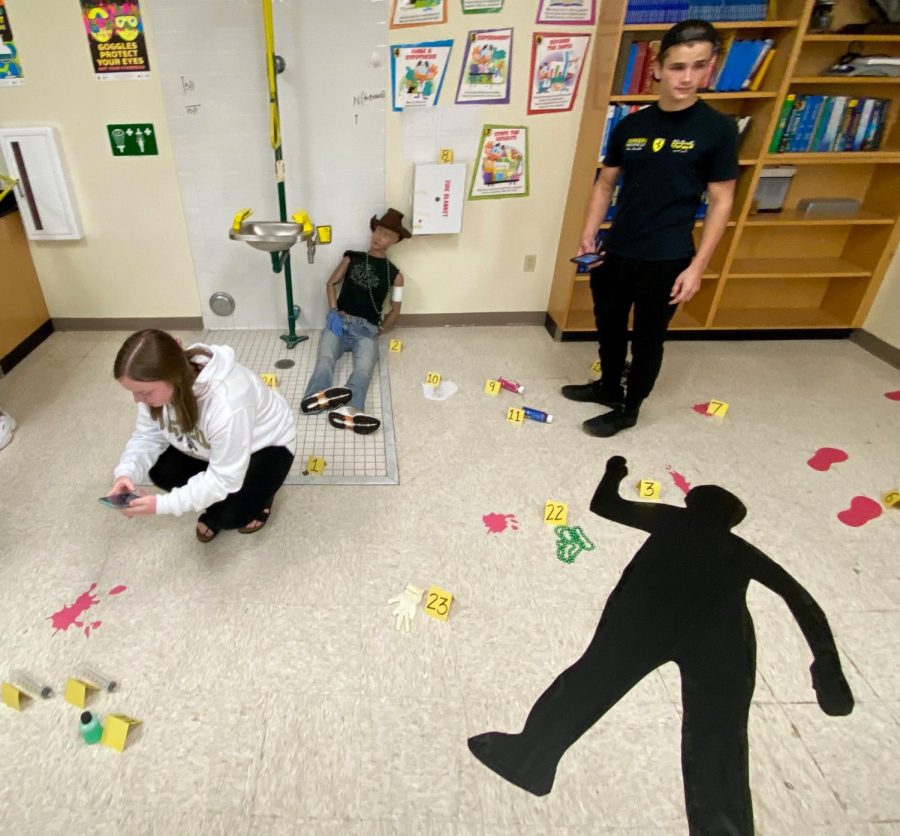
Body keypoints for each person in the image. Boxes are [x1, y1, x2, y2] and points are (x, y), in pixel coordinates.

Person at [469, 456, 854, 834]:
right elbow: (802, 601)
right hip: (718, 637)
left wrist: (614, 472)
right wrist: (826, 667)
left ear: (694, 504)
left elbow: (604, 505)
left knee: (588, 682)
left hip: (646, 621)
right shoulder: (739, 551)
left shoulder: (669, 519)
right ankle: (723, 827)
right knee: (717, 733)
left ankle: (529, 759)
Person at [564, 20, 738, 437]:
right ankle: (607, 386)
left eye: (699, 66)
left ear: (710, 68)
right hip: (616, 248)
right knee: (607, 324)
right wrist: (589, 232)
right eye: (678, 66)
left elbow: (722, 201)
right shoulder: (631, 126)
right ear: (658, 69)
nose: (688, 77)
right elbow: (605, 183)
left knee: (647, 338)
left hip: (667, 256)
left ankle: (629, 407)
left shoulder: (717, 129)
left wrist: (697, 267)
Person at [108, 329, 296, 542]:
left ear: (172, 376)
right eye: (133, 392)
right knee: (161, 472)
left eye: (144, 392)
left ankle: (262, 496)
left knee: (229, 516)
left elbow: (224, 478)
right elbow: (146, 437)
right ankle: (234, 496)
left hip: (266, 446)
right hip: (212, 447)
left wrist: (163, 505)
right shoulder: (159, 385)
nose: (137, 400)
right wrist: (126, 473)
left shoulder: (228, 402)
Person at [300, 209, 408, 435]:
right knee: (326, 359)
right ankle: (315, 397)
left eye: (387, 235)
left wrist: (381, 329)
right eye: (378, 231)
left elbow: (395, 309)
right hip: (339, 320)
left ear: (395, 241)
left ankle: (351, 409)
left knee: (364, 368)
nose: (379, 237)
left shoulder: (394, 274)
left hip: (366, 329)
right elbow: (330, 284)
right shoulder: (352, 257)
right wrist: (332, 312)